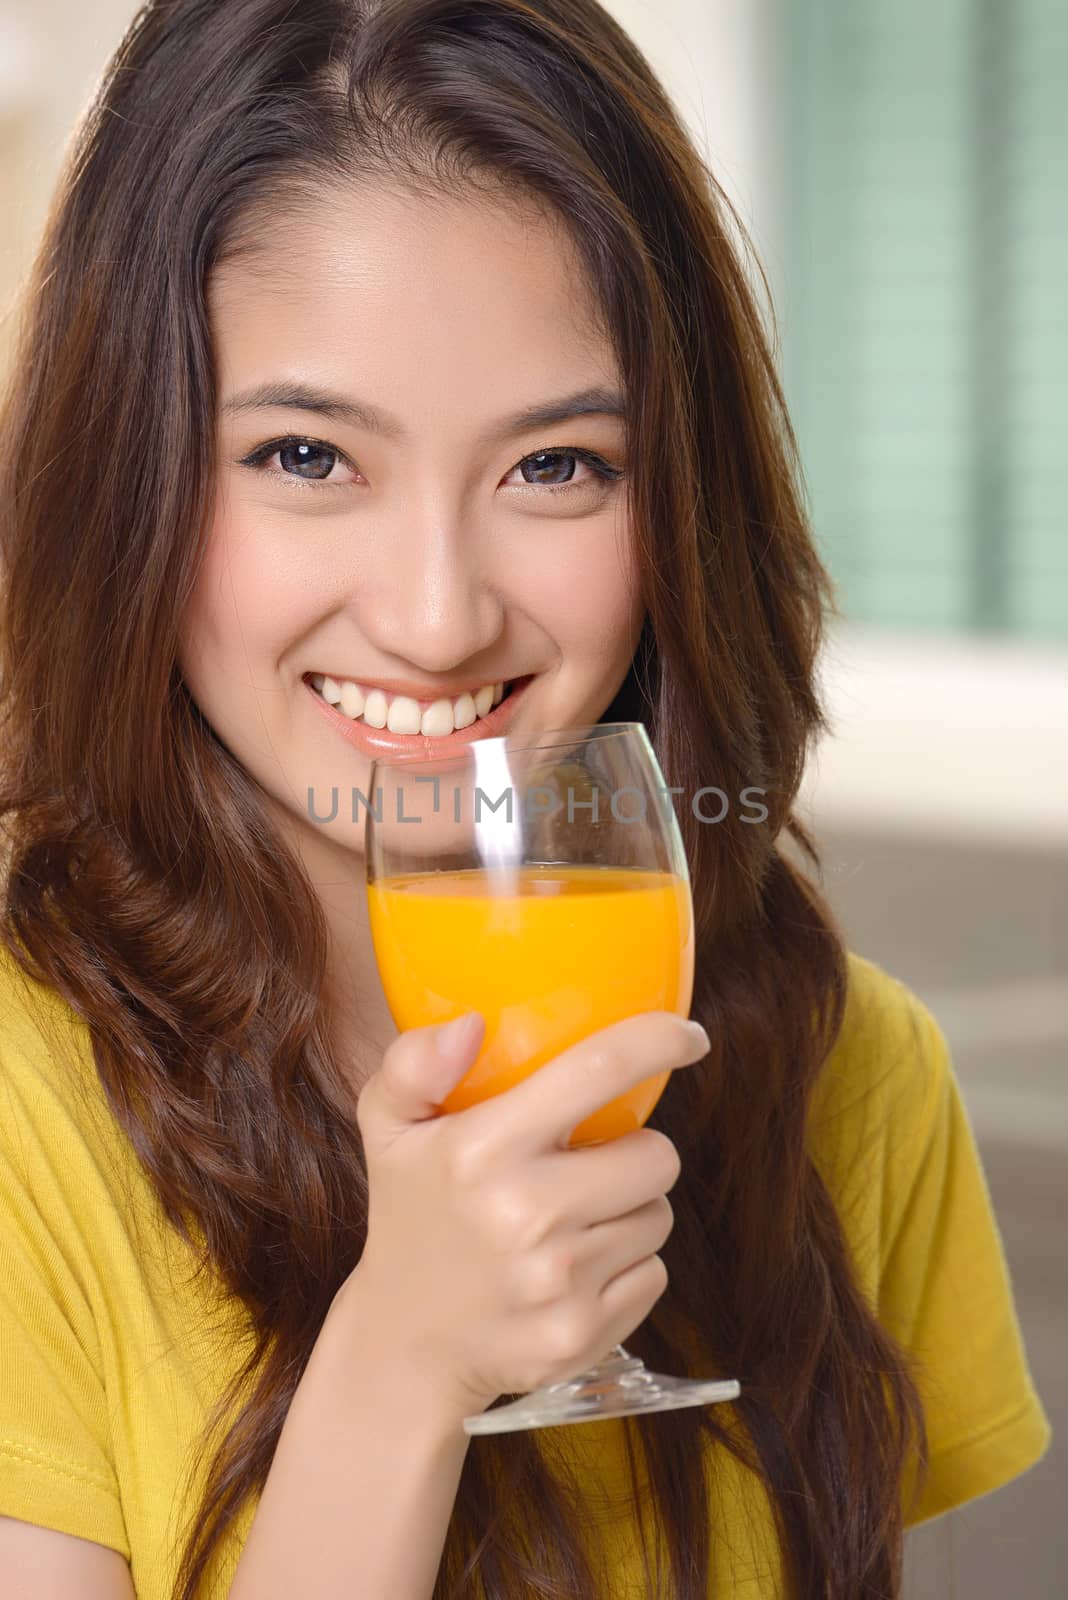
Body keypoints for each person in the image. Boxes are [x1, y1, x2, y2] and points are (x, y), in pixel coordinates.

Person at [0, 2, 1050, 1597]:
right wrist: (397, 1376)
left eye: (555, 467)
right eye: (302, 456)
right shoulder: (23, 1117)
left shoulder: (850, 1083)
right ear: (127, 469)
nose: (436, 617)